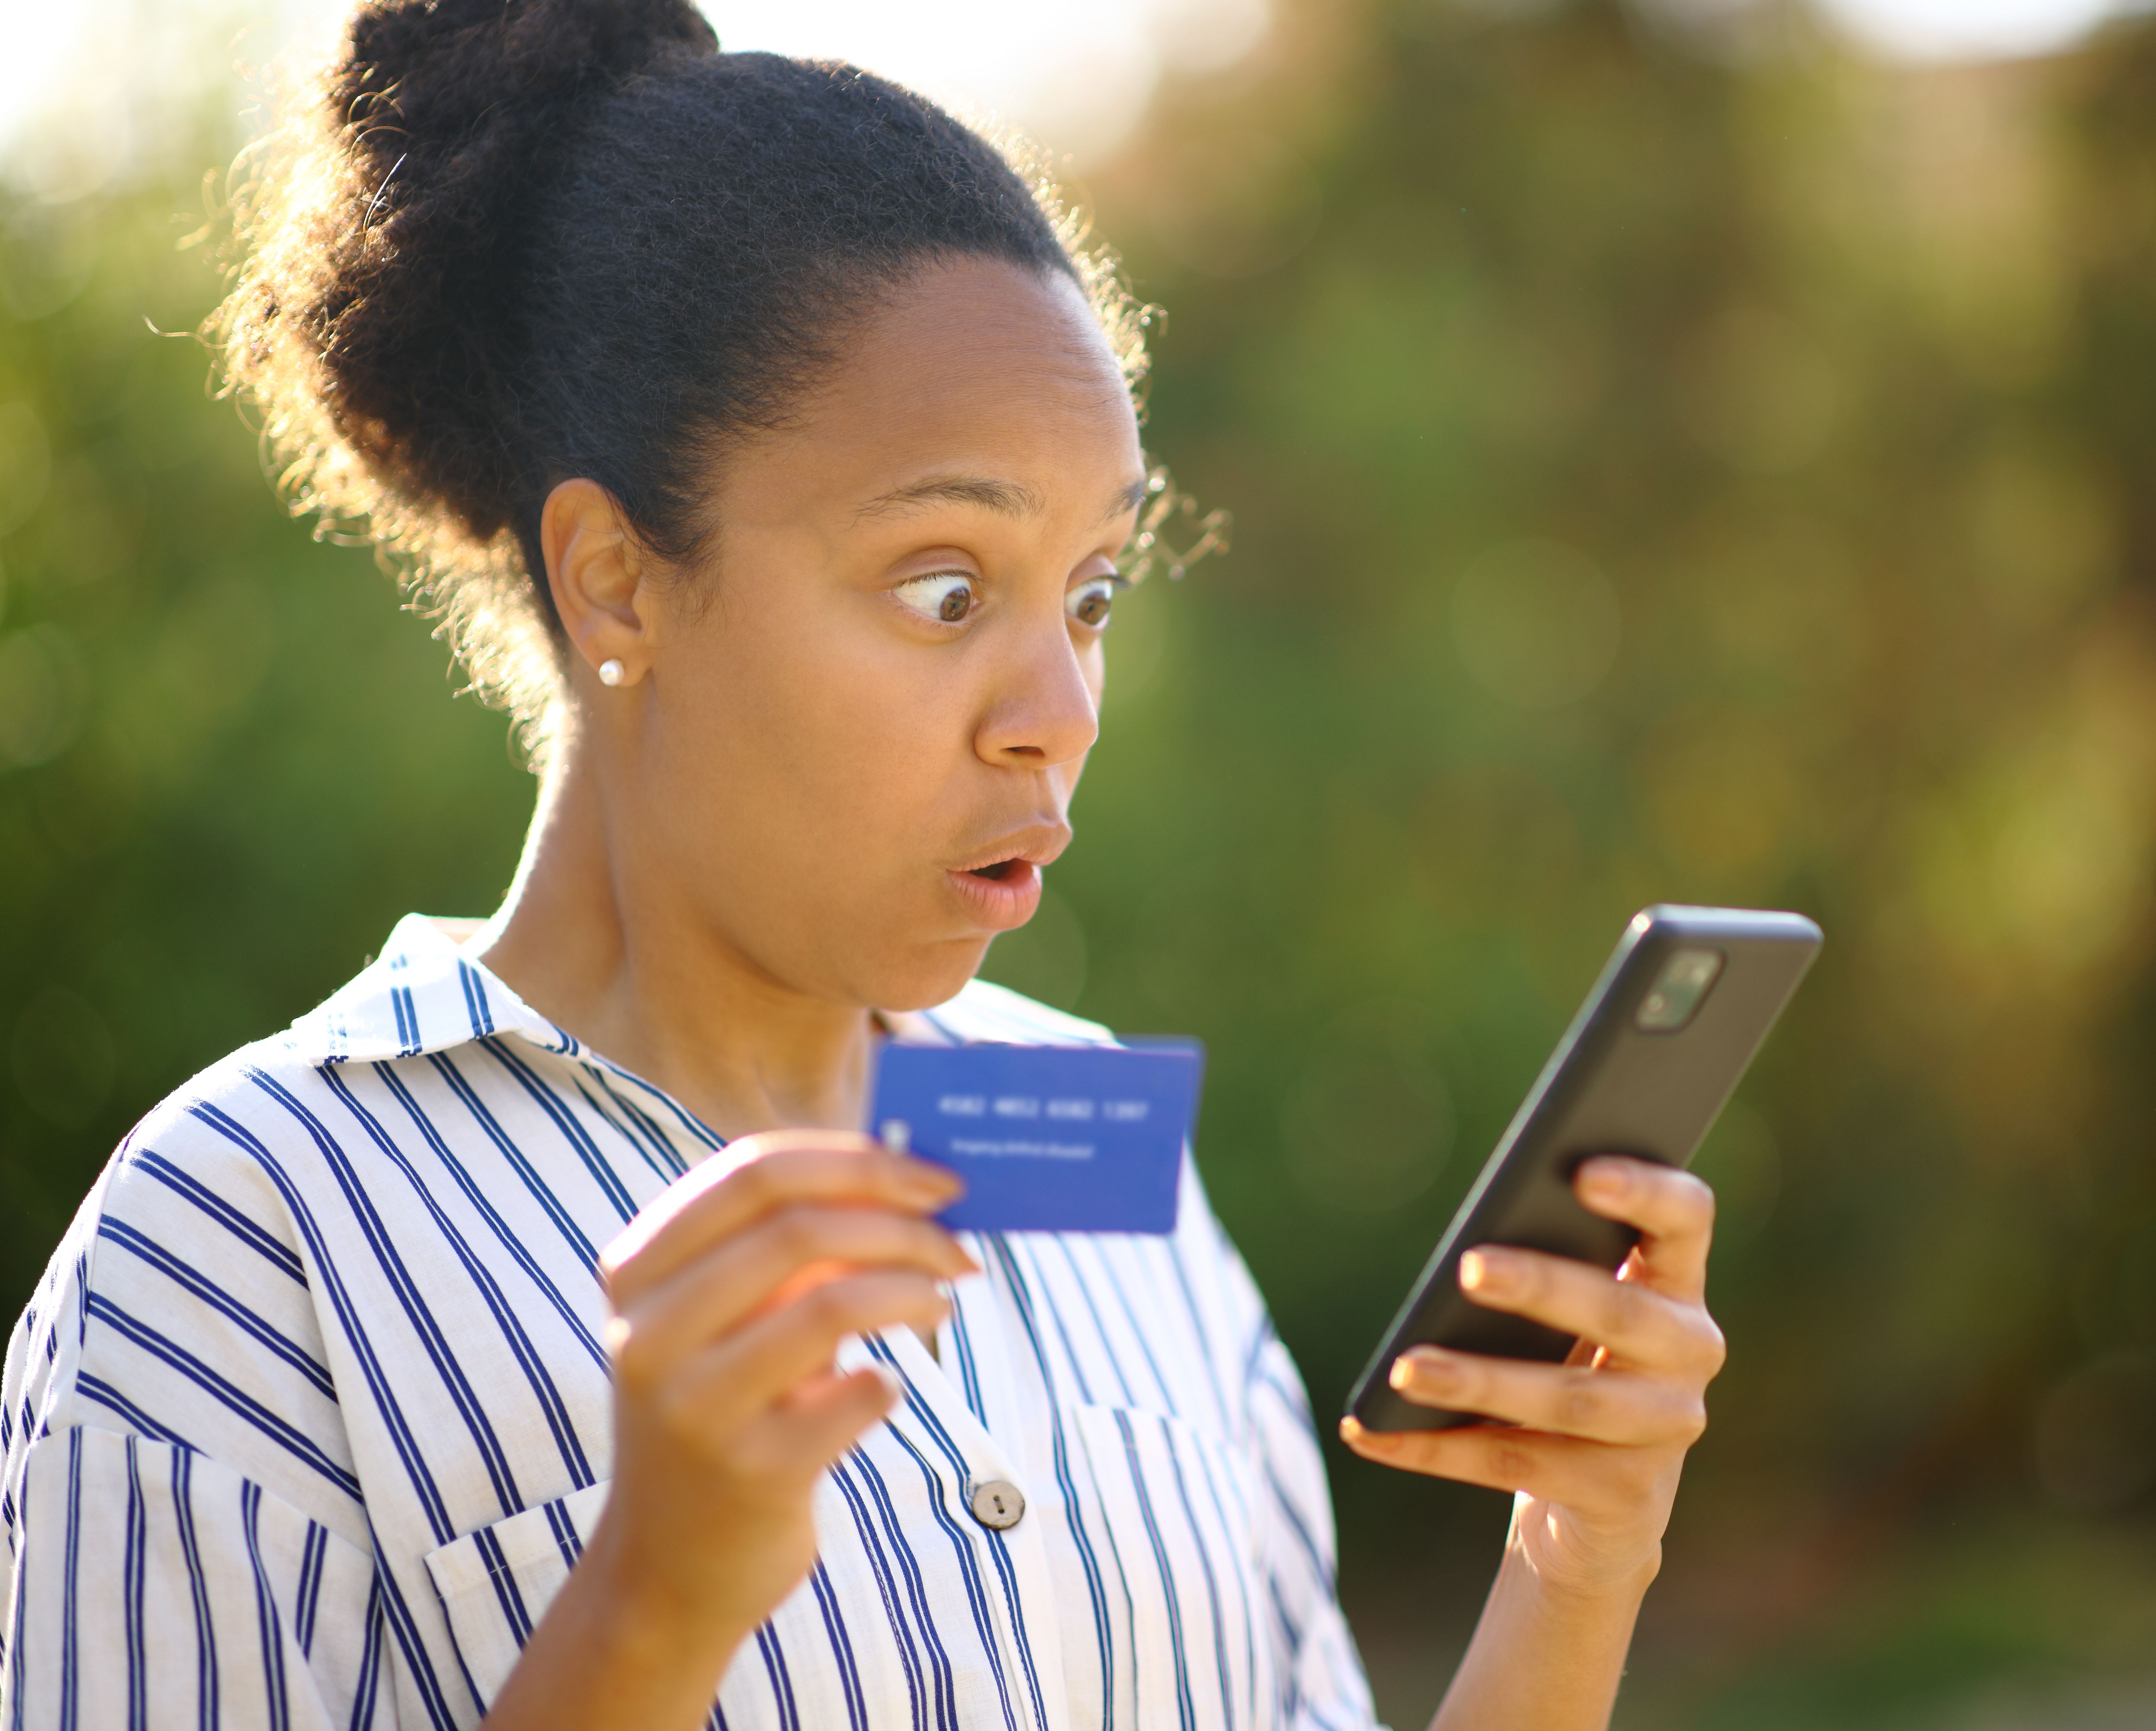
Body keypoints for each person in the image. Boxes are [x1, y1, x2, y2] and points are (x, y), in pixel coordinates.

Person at [0, 0, 1728, 1725]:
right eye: (947, 589)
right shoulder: (242, 1240)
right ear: (615, 580)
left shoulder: (1097, 1137)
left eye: (1093, 596)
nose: (1060, 714)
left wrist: (1573, 1567)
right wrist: (654, 1602)